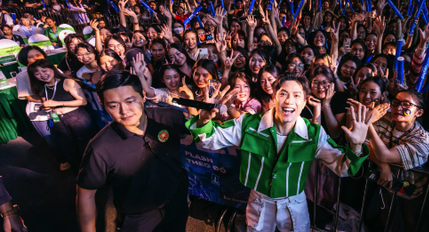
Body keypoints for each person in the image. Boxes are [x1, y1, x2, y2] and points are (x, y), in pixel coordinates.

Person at [186, 74, 371, 232]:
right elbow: (208, 140)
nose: (289, 101)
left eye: (297, 95)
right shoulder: (249, 124)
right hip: (258, 201)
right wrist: (203, 120)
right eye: (283, 94)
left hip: (295, 204)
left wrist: (356, 145)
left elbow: (343, 168)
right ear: (274, 97)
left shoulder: (313, 134)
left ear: (305, 100)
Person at [76, 71, 190, 232]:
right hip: (138, 218)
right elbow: (86, 194)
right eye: (114, 105)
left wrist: (205, 120)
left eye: (130, 101)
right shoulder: (99, 148)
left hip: (176, 202)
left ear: (143, 95)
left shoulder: (169, 116)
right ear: (103, 105)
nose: (124, 110)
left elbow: (196, 138)